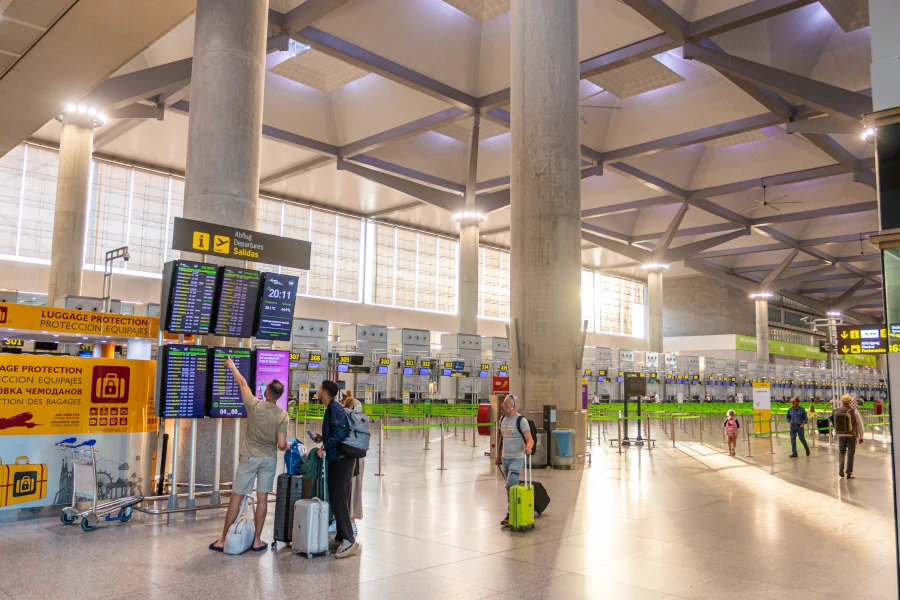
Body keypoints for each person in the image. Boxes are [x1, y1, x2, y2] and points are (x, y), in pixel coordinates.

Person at [210, 358, 288, 553]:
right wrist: (287, 446)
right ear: (279, 396)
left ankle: (222, 540)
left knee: (237, 496)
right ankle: (258, 540)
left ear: (266, 392)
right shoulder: (282, 415)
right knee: (262, 498)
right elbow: (281, 445)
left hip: (249, 457)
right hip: (269, 459)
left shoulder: (254, 404)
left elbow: (242, 383)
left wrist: (233, 366)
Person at [313, 380, 359, 558]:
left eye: (318, 388)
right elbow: (335, 431)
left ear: (323, 391)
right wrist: (322, 438)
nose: (317, 391)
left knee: (339, 498)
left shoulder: (335, 408)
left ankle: (349, 540)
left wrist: (324, 448)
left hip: (342, 460)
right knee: (337, 496)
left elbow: (341, 432)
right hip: (338, 459)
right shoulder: (332, 408)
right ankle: (341, 537)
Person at [495, 394, 534, 527]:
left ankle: (511, 514)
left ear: (513, 406)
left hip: (516, 458)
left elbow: (530, 438)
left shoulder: (521, 420)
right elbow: (502, 437)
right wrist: (498, 455)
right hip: (505, 458)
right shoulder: (502, 419)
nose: (502, 405)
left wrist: (528, 447)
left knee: (510, 485)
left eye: (505, 404)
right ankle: (513, 512)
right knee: (509, 488)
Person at [341, 389, 364, 536]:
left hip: (354, 459)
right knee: (352, 489)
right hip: (357, 458)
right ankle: (348, 520)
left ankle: (351, 521)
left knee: (352, 489)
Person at [834, 394, 865, 479]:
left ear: (842, 401)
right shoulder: (854, 411)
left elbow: (835, 424)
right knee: (850, 453)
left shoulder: (837, 411)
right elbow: (859, 424)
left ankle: (840, 468)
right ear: (850, 402)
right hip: (852, 434)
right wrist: (861, 436)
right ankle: (849, 473)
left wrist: (836, 434)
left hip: (841, 434)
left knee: (841, 451)